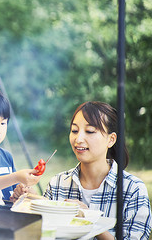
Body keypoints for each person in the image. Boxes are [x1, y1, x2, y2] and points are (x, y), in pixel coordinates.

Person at [43, 101, 151, 239]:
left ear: (111, 140)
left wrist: (89, 219)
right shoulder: (57, 184)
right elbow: (42, 233)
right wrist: (29, 201)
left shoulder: (133, 189)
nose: (78, 139)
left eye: (90, 131)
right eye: (74, 130)